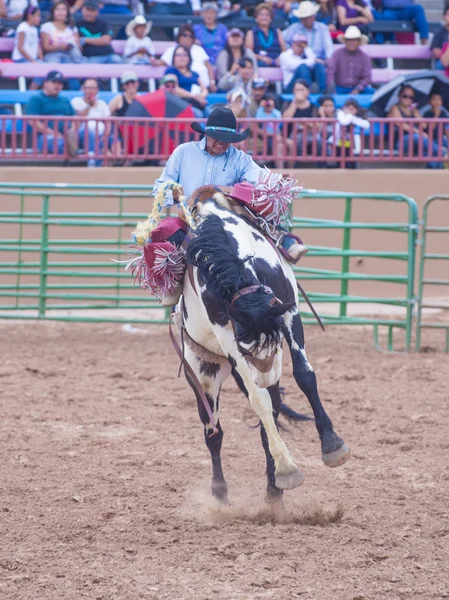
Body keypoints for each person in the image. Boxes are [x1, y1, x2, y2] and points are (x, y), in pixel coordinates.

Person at [387, 85, 445, 169]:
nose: (408, 99)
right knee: (417, 137)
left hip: (416, 143)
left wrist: (417, 115)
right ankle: (441, 151)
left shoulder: (413, 110)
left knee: (428, 152)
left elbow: (424, 125)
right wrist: (419, 132)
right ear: (399, 96)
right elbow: (402, 125)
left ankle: (435, 172)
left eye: (411, 97)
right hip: (401, 141)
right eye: (405, 96)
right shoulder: (394, 108)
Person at [282, 1, 333, 93]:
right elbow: (281, 38)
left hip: (318, 62)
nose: (307, 19)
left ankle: (322, 95)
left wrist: (328, 58)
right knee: (303, 67)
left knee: (319, 66)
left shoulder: (322, 28)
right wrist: (289, 49)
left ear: (314, 16)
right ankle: (307, 94)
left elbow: (328, 47)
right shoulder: (294, 28)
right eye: (304, 17)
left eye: (309, 16)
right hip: (299, 63)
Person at [25, 69, 78, 156]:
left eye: (60, 83)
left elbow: (75, 118)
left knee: (89, 133)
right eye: (54, 82)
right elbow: (33, 122)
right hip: (44, 136)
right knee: (58, 142)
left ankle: (94, 163)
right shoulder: (36, 99)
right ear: (45, 83)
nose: (57, 85)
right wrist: (54, 133)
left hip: (67, 134)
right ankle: (69, 165)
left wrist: (72, 130)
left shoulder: (65, 100)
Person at [282, 78, 328, 167]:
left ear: (308, 91)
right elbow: (285, 119)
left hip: (310, 134)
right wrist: (295, 103)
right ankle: (296, 168)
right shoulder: (288, 103)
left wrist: (307, 124)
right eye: (297, 90)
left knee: (320, 142)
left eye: (302, 90)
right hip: (293, 135)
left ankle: (322, 168)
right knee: (297, 143)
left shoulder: (314, 107)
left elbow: (318, 127)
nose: (300, 92)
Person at [160, 24, 216, 90]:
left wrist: (212, 82)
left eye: (190, 36)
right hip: (182, 88)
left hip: (204, 87)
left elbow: (209, 66)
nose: (188, 38)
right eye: (185, 35)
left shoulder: (199, 49)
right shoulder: (172, 50)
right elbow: (161, 63)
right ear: (179, 37)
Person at [71, 78, 111, 167]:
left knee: (114, 138)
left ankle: (122, 165)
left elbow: (108, 123)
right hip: (82, 134)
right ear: (83, 89)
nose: (90, 90)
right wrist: (89, 105)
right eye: (88, 88)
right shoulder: (76, 101)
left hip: (101, 135)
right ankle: (93, 161)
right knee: (89, 133)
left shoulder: (102, 104)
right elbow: (79, 119)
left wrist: (105, 136)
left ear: (97, 90)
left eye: (93, 88)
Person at [164, 45, 209, 116]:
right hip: (179, 103)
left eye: (185, 55)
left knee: (210, 113)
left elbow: (204, 90)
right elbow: (174, 89)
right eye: (178, 55)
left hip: (196, 102)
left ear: (189, 58)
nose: (182, 57)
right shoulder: (170, 71)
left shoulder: (194, 74)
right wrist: (194, 96)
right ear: (174, 58)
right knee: (197, 114)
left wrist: (200, 96)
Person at [327, 26, 372, 94]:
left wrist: (358, 88)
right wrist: (331, 87)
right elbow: (331, 71)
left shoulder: (364, 57)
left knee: (372, 93)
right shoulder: (337, 54)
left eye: (354, 40)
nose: (351, 43)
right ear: (345, 41)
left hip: (358, 88)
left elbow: (367, 77)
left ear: (358, 42)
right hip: (339, 88)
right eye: (349, 40)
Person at [76, 0, 122, 64]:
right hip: (89, 57)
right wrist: (99, 40)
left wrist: (85, 40)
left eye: (92, 10)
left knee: (117, 60)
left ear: (97, 12)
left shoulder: (104, 23)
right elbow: (77, 42)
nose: (89, 13)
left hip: (108, 55)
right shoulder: (77, 25)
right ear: (82, 10)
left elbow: (106, 40)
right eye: (87, 10)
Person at [331, 98, 369, 168]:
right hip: (336, 141)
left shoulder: (354, 117)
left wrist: (352, 117)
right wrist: (351, 116)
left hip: (349, 142)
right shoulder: (339, 113)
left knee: (350, 160)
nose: (349, 111)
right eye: (347, 108)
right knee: (339, 159)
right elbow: (344, 121)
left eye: (352, 109)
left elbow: (366, 125)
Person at [108, 70, 139, 156]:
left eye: (132, 82)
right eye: (127, 83)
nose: (130, 85)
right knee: (114, 134)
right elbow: (107, 114)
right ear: (123, 85)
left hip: (136, 131)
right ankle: (118, 157)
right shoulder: (118, 99)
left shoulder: (142, 99)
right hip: (120, 131)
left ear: (137, 83)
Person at [12, 6, 43, 90]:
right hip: (20, 60)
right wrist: (33, 61)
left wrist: (41, 59)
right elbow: (20, 48)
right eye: (38, 15)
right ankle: (30, 93)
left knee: (46, 68)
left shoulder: (35, 29)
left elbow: (38, 46)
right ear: (30, 16)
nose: (39, 18)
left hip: (31, 60)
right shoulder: (22, 27)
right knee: (41, 71)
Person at [245, 3, 286, 67]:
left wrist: (280, 58)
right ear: (256, 17)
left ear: (271, 18)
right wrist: (262, 58)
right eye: (261, 14)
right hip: (260, 62)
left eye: (267, 14)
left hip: (277, 61)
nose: (264, 17)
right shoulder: (251, 32)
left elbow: (284, 51)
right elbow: (249, 53)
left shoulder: (277, 31)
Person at [255, 92, 286, 169]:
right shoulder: (260, 112)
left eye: (270, 101)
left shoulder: (276, 113)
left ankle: (280, 170)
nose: (268, 104)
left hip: (274, 135)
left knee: (279, 144)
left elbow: (279, 126)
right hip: (263, 136)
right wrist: (261, 107)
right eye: (267, 101)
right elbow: (257, 120)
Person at [430, 6, 449, 71]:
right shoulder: (439, 32)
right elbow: (436, 52)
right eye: (448, 15)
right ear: (444, 17)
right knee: (440, 65)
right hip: (443, 61)